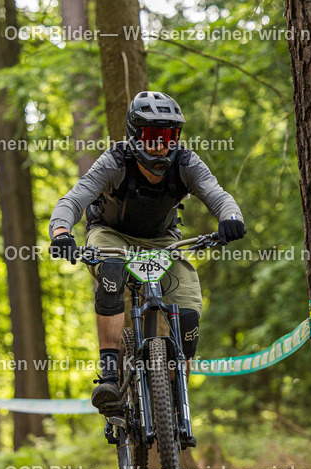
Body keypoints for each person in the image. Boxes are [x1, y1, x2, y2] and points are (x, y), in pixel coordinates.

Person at [48, 91, 245, 416]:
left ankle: (173, 398)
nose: (160, 144)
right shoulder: (116, 160)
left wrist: (231, 218)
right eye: (152, 136)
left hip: (164, 241)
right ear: (135, 135)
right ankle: (109, 374)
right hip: (111, 235)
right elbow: (73, 199)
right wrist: (61, 233)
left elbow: (217, 193)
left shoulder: (186, 162)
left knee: (189, 317)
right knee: (111, 273)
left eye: (167, 135)